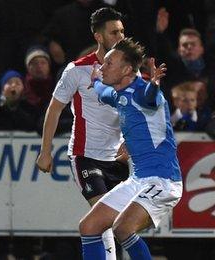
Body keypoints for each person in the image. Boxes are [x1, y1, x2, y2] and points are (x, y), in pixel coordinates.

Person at [36, 7, 128, 260]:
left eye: (122, 31)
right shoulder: (77, 70)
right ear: (99, 36)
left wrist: (130, 143)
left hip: (117, 158)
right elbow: (54, 110)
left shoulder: (130, 69)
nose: (121, 37)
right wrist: (45, 152)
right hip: (85, 154)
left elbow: (137, 111)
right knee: (102, 216)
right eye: (114, 32)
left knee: (121, 222)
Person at [81, 38, 182, 260]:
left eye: (109, 63)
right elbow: (101, 91)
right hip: (137, 180)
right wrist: (96, 80)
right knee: (89, 226)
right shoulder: (116, 93)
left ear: (127, 69)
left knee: (122, 228)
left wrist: (154, 85)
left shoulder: (142, 92)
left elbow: (149, 98)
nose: (103, 67)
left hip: (162, 180)